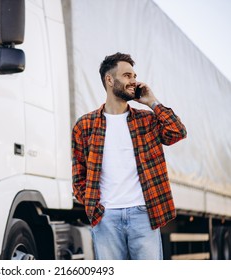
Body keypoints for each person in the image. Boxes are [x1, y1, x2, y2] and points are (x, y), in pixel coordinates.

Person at [71, 52, 187, 260]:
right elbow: (79, 174)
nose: (134, 81)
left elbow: (177, 132)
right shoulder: (85, 125)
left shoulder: (147, 120)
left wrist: (153, 102)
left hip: (143, 214)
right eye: (127, 76)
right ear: (109, 79)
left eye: (134, 76)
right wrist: (95, 209)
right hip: (106, 218)